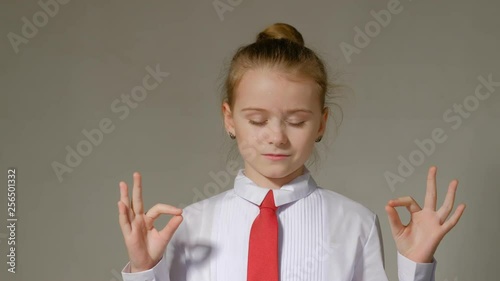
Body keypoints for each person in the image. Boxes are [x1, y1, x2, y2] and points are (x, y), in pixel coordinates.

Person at [117, 22, 466, 281]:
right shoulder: (188, 225)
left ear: (322, 124)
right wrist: (143, 270)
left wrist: (416, 266)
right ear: (229, 119)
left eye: (297, 121)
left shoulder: (354, 223)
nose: (277, 137)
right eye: (257, 120)